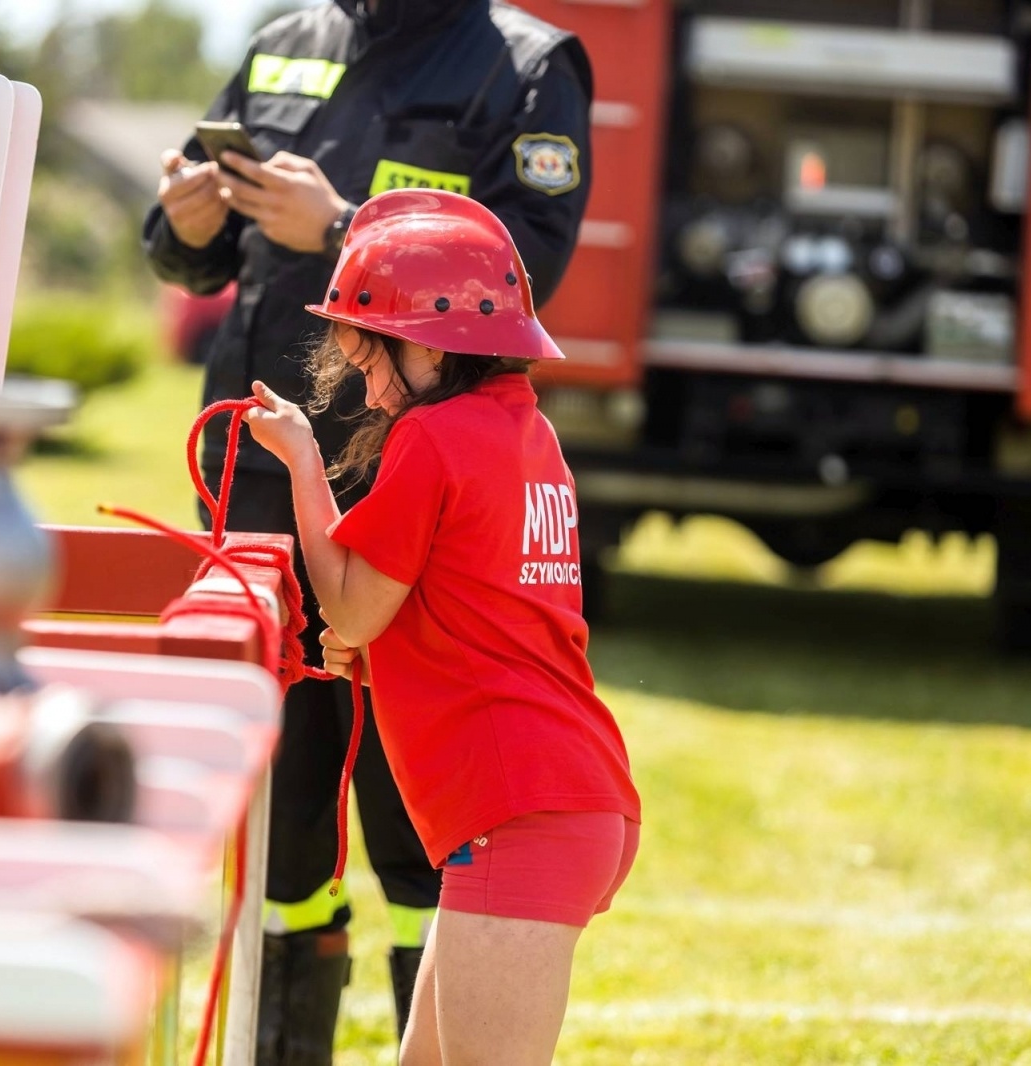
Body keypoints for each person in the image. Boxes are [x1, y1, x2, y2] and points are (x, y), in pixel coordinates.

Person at [142, 2, 593, 1060]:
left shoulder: (527, 69)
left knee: (423, 816)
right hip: (259, 489)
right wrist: (186, 226)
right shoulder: (285, 35)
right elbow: (187, 263)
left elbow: (529, 272)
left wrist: (342, 227)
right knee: (278, 827)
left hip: (412, 482)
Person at [242, 188, 640, 1066]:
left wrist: (305, 462)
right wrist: (384, 652)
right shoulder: (528, 435)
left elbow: (349, 606)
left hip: (516, 809)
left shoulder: (435, 440)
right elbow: (480, 618)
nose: (365, 384)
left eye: (367, 355)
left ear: (426, 342)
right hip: (562, 795)